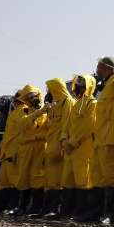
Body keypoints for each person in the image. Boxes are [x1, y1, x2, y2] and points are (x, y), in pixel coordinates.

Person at [74, 57, 114, 226]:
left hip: (110, 138)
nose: (97, 68)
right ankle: (94, 212)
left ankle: (109, 214)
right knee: (98, 176)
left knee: (111, 177)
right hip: (100, 139)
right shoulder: (104, 85)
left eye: (99, 65)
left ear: (106, 67)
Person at [60, 74, 97, 220]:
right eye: (79, 81)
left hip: (83, 150)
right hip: (69, 151)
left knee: (83, 182)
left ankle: (79, 212)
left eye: (82, 82)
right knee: (67, 181)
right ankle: (65, 212)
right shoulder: (76, 104)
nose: (78, 84)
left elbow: (88, 126)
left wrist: (72, 142)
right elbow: (67, 125)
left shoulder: (92, 104)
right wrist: (63, 140)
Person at [11, 85, 48, 217]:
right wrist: (37, 113)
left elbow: (49, 128)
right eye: (29, 97)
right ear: (25, 99)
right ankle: (21, 207)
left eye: (34, 95)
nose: (33, 99)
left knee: (38, 175)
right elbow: (23, 124)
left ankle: (36, 207)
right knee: (23, 175)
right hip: (26, 146)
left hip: (40, 146)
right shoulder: (23, 111)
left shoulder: (47, 109)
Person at [41, 78, 73, 219]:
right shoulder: (55, 106)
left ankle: (55, 209)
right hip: (50, 147)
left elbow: (67, 127)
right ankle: (46, 209)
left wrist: (60, 148)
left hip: (57, 148)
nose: (48, 93)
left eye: (50, 90)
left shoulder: (68, 102)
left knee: (56, 181)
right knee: (48, 181)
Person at [0, 91, 25, 215]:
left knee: (14, 182)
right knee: (2, 182)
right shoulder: (12, 114)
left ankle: (14, 207)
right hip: (6, 153)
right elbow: (7, 135)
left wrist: (17, 151)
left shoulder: (24, 111)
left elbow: (24, 134)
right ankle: (1, 206)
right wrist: (0, 149)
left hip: (14, 154)